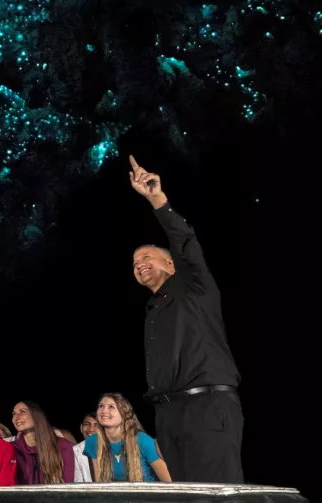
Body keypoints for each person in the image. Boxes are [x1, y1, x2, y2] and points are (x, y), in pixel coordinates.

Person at [125, 155, 244, 483]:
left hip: (207, 406)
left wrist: (156, 199)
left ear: (171, 264)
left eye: (146, 257)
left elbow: (186, 242)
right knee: (183, 495)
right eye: (135, 263)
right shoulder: (152, 311)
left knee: (216, 493)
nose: (139, 265)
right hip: (168, 414)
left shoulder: (195, 285)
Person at [84, 393, 171, 482]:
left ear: (124, 414)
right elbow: (99, 483)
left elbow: (168, 483)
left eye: (111, 407)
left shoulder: (143, 441)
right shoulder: (92, 441)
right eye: (101, 406)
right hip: (114, 495)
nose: (104, 410)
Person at [10, 401, 75, 484]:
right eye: (14, 413)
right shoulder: (11, 448)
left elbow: (68, 484)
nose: (16, 417)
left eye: (22, 411)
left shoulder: (61, 445)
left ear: (36, 415)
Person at [71, 414, 95, 482]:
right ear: (81, 428)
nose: (91, 429)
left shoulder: (111, 448)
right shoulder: (75, 451)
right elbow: (78, 482)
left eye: (96, 425)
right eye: (87, 424)